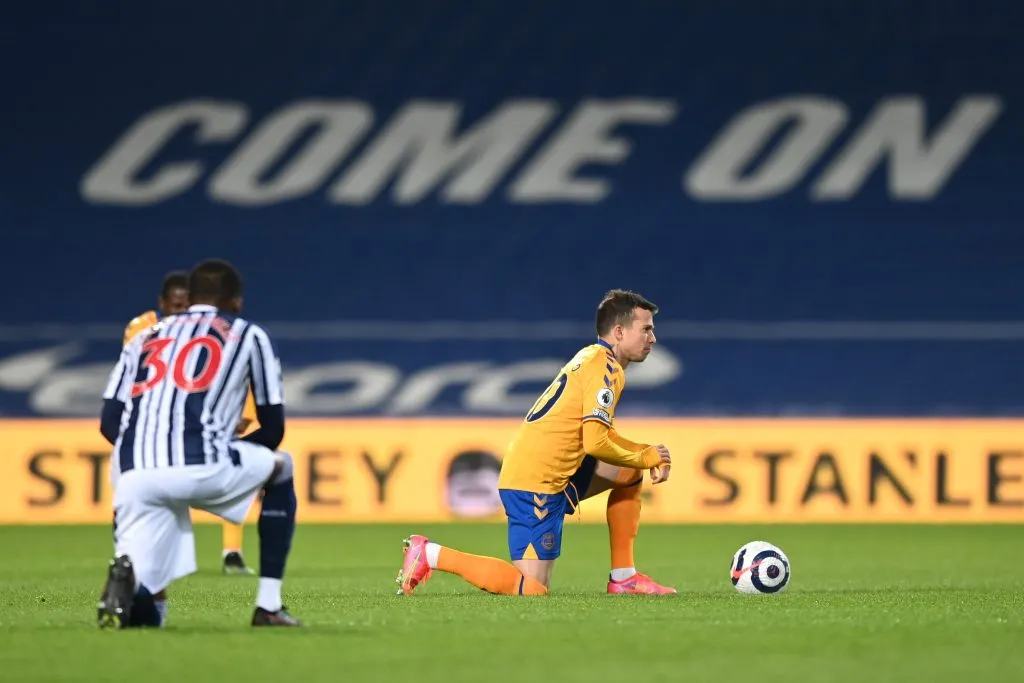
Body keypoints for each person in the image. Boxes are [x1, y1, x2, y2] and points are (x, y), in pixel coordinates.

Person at [397, 289, 674, 596]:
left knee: (627, 473)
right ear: (620, 331)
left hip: (559, 472)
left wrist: (644, 453)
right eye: (646, 329)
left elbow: (600, 435)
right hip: (534, 483)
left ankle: (624, 578)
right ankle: (431, 554)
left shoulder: (593, 358)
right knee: (533, 591)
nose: (653, 338)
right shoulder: (604, 368)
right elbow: (595, 444)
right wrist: (644, 457)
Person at [97, 258, 300, 628]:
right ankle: (268, 606)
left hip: (136, 475)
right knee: (282, 466)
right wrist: (219, 454)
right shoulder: (248, 334)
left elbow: (109, 421)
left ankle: (136, 592)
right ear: (236, 301)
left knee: (150, 601)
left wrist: (148, 455)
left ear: (187, 298)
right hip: (205, 464)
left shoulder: (144, 336)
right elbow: (273, 430)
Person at [122, 271, 257, 576]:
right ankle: (133, 558)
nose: (181, 313)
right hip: (154, 418)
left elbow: (231, 372)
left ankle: (232, 552)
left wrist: (240, 412)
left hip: (201, 414)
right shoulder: (142, 329)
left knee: (242, 472)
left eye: (186, 306)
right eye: (175, 306)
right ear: (162, 304)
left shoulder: (213, 332)